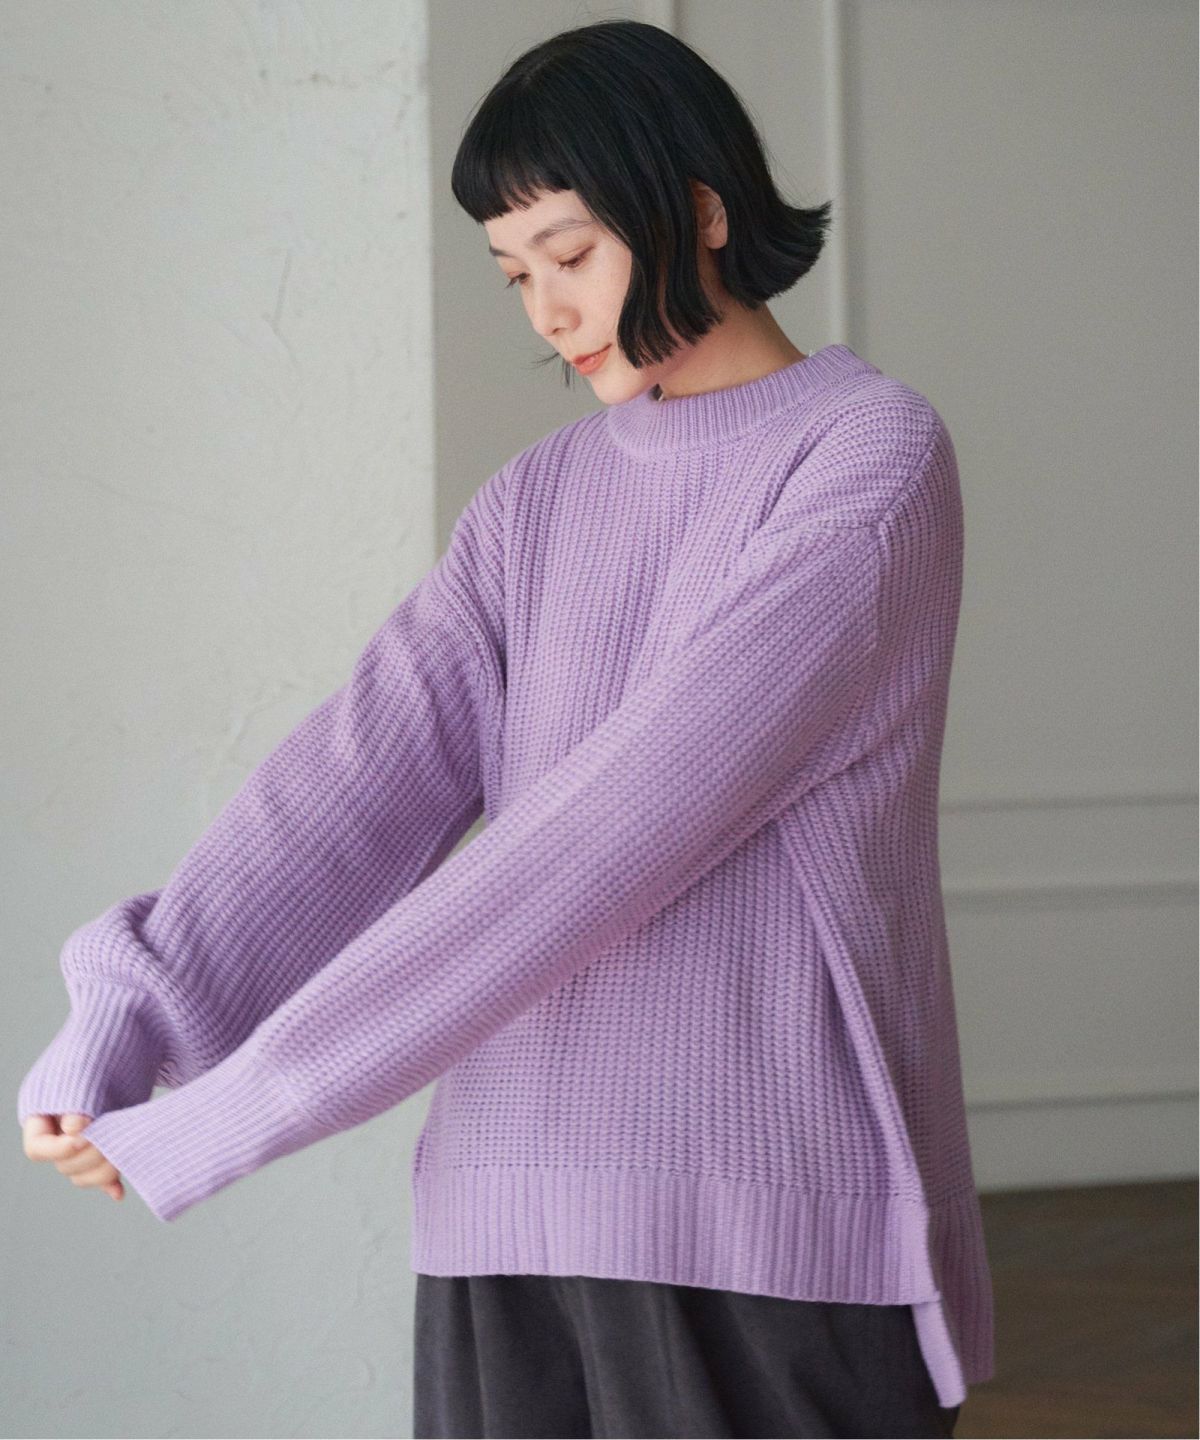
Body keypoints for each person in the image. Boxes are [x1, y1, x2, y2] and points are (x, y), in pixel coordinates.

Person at [18, 17, 992, 1439]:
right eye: (514, 272)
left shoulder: (867, 462)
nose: (545, 309)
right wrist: (130, 1004)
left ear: (703, 210)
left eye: (571, 253)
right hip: (503, 1215)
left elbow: (604, 838)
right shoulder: (535, 504)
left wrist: (247, 1102)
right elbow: (351, 780)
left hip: (758, 1226)